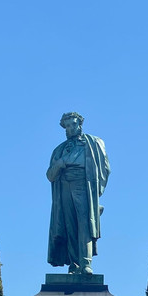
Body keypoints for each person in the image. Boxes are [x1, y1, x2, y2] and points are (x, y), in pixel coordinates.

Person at [47, 112, 110, 275]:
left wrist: (96, 194)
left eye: (72, 124)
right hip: (64, 188)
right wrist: (60, 164)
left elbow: (105, 168)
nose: (69, 129)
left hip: (84, 185)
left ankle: (86, 263)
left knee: (85, 224)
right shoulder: (59, 151)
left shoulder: (94, 143)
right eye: (66, 126)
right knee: (69, 226)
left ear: (79, 124)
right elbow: (49, 176)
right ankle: (74, 265)